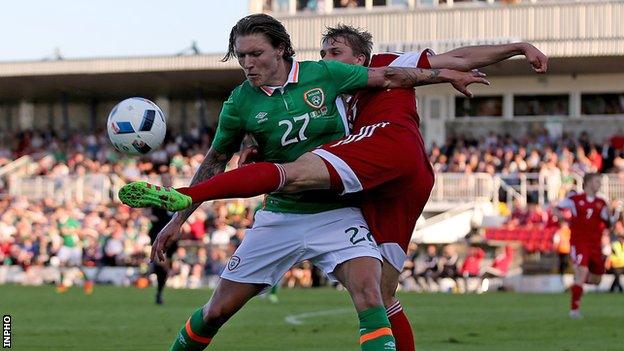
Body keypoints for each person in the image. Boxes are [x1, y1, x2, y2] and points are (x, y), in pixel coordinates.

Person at [121, 23, 546, 351]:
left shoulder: (338, 74)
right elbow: (218, 158)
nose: (247, 62)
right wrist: (183, 217)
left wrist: (495, 55)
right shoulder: (243, 102)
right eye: (241, 56)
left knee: (366, 291)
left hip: (348, 197)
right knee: (219, 311)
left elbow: (406, 75)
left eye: (255, 53)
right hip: (286, 213)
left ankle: (188, 193)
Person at [555, 173, 621, 318]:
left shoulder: (601, 202)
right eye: (597, 181)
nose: (599, 184)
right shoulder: (575, 199)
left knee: (597, 279)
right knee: (583, 271)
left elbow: (609, 223)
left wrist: (613, 211)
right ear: (588, 182)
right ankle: (574, 310)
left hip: (595, 245)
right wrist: (564, 219)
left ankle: (576, 284)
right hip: (579, 242)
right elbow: (557, 208)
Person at [149, 173, 178, 305]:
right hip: (157, 234)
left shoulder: (177, 196)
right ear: (161, 180)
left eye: (169, 179)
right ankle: (155, 269)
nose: (167, 181)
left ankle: (160, 291)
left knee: (166, 267)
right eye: (165, 179)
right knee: (162, 263)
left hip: (172, 237)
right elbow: (149, 213)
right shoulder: (156, 196)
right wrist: (151, 218)